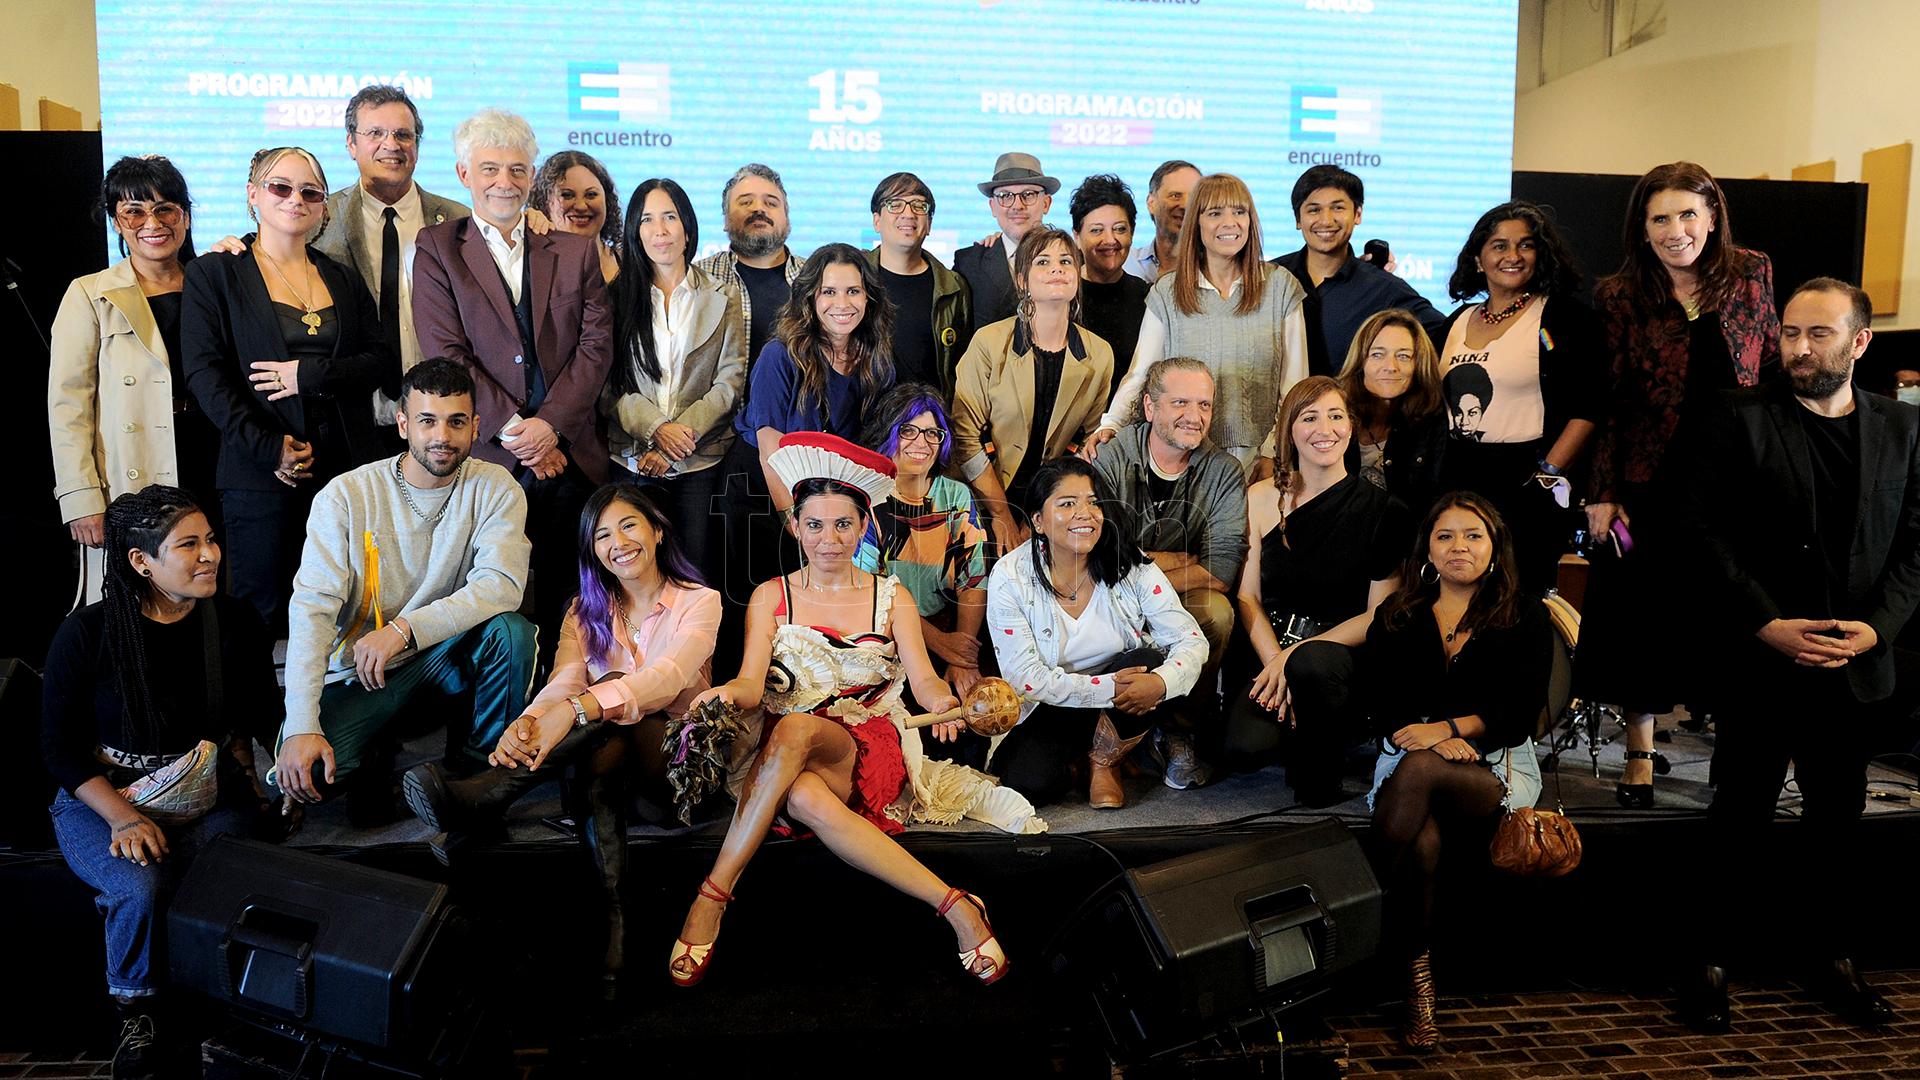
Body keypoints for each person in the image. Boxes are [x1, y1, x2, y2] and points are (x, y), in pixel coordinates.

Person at [669, 433, 1026, 989]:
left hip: (866, 748)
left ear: (864, 526)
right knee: (802, 789)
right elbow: (749, 683)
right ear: (795, 527)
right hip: (786, 759)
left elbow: (925, 682)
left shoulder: (893, 596)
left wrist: (946, 704)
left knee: (795, 728)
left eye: (843, 525)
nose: (829, 539)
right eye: (815, 524)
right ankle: (956, 906)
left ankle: (712, 896)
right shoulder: (770, 596)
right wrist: (721, 695)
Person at [1673, 278, 1917, 1034]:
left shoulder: (1904, 428)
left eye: (1817, 334)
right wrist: (1767, 624)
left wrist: (1877, 628)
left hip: (1852, 662)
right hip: (1761, 659)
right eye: (1788, 333)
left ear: (1860, 342)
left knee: (1837, 818)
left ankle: (1832, 959)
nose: (1798, 348)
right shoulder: (1737, 416)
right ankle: (1709, 963)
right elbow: (1699, 532)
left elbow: (1915, 545)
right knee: (1738, 814)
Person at [404, 482, 722, 990]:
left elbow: (666, 680)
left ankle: (489, 794)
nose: (618, 542)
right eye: (602, 535)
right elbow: (566, 680)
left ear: (657, 531)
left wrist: (577, 709)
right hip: (604, 769)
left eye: (629, 525)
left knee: (616, 691)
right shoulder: (583, 610)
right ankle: (617, 920)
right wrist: (528, 722)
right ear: (592, 549)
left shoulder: (700, 601)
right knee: (605, 745)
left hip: (672, 778)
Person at [41, 486, 277, 1080]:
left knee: (235, 875)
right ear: (141, 561)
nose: (210, 555)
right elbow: (59, 750)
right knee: (139, 885)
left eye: (211, 539)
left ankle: (232, 1012)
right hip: (105, 794)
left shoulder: (235, 620)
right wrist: (123, 817)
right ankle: (137, 1015)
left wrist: (289, 766)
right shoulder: (86, 632)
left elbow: (263, 713)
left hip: (204, 787)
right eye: (189, 545)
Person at [1580, 162, 1780, 807]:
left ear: (1712, 216)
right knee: (1641, 616)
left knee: (1730, 614)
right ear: (1642, 228)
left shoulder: (1751, 272)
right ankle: (1639, 753)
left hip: (1735, 476)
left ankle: (1734, 756)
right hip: (1649, 476)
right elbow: (1610, 398)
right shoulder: (1619, 294)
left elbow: (1769, 366)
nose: (1676, 230)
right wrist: (1601, 491)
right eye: (1660, 218)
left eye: (1688, 214)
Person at [270, 359, 535, 826]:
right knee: (309, 776)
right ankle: (376, 758)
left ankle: (476, 778)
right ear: (402, 424)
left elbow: (501, 586)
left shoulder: (496, 487)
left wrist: (405, 629)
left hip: (441, 658)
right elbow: (311, 611)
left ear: (475, 427)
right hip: (358, 674)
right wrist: (301, 725)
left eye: (456, 422)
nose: (442, 436)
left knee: (511, 633)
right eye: (427, 421)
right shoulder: (346, 495)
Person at [411, 108, 614, 661]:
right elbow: (446, 352)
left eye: (518, 169)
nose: (505, 181)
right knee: (487, 606)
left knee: (574, 608)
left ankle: (567, 704)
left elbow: (596, 345)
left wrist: (551, 427)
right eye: (490, 168)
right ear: (464, 174)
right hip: (488, 458)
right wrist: (518, 430)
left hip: (571, 458)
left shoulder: (574, 249)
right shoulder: (436, 247)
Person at [1361, 492, 1552, 1051]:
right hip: (1409, 754)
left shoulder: (1525, 615)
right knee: (1422, 841)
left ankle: (1362, 901)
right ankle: (1419, 981)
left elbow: (1520, 713)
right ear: (1427, 550)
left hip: (1495, 764)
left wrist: (1449, 730)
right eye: (1445, 536)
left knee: (1422, 770)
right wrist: (1428, 738)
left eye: (1473, 535)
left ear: (1494, 547)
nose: (1458, 547)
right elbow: (1378, 703)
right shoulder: (1397, 615)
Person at [182, 146, 395, 634]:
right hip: (260, 473)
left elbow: (380, 361)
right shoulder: (215, 273)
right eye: (280, 187)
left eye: (310, 192)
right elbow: (205, 375)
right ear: (253, 194)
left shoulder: (342, 277)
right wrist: (268, 449)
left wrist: (310, 375)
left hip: (346, 470)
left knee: (350, 611)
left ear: (323, 207)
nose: (295, 199)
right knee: (259, 617)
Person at [985, 456, 1210, 810]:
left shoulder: (1130, 564)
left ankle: (1107, 759)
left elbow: (1191, 640)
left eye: (1093, 502)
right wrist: (1108, 689)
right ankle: (1087, 758)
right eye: (1067, 504)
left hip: (1126, 696)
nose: (1085, 514)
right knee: (1027, 784)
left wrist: (1161, 683)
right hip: (1053, 702)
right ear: (1038, 521)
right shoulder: (1010, 575)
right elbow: (1025, 678)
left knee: (1148, 661)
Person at [1225, 376, 1409, 804]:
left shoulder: (1385, 510)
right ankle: (1312, 729)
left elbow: (1376, 615)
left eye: (1335, 416)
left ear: (1351, 426)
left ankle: (1323, 770)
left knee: (1313, 666)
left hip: (1339, 656)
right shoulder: (1260, 498)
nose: (1324, 429)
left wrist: (1295, 659)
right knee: (1244, 749)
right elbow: (1247, 597)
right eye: (1309, 418)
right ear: (1289, 430)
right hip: (1272, 646)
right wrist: (1276, 662)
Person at [50, 156, 218, 606]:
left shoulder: (213, 285)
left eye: (166, 210)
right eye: (134, 212)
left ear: (185, 216)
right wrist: (81, 496)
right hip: (135, 464)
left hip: (213, 454)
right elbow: (68, 407)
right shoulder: (90, 293)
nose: (152, 224)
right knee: (138, 605)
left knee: (215, 597)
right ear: (116, 222)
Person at [1432, 201, 1604, 595]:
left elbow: (1588, 407)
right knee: (1458, 598)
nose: (1513, 255)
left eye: (1526, 245)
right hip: (1457, 480)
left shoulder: (1565, 319)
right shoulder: (1454, 323)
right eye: (1499, 245)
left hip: (1527, 482)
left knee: (1516, 601)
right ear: (1478, 259)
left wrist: (1547, 476)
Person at [1091, 358, 1247, 789]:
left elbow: (1220, 571)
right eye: (1180, 403)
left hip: (1177, 596)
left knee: (1217, 612)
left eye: (1204, 405)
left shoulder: (1223, 471)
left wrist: (1139, 564)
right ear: (1149, 406)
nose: (1194, 416)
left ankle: (1177, 729)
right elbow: (1101, 555)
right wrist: (1181, 559)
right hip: (1108, 594)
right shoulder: (1112, 456)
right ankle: (1106, 736)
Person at [1089, 173, 1308, 474]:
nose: (1229, 223)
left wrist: (1275, 453)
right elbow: (1140, 374)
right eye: (1215, 213)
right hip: (1182, 455)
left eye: (1239, 212)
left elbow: (1295, 386)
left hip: (1259, 459)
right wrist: (1112, 424)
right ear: (1196, 223)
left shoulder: (1280, 287)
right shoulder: (1168, 292)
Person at [604, 177, 746, 586]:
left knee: (693, 578)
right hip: (632, 461)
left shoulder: (723, 296)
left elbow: (730, 383)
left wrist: (677, 440)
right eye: (647, 220)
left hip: (699, 463)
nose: (660, 230)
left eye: (669, 217)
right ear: (635, 231)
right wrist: (656, 430)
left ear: (687, 226)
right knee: (634, 579)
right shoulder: (616, 297)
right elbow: (607, 386)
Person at [313, 84, 470, 426]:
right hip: (350, 414)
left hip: (438, 417)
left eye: (403, 135)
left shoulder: (458, 221)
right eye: (376, 133)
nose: (392, 145)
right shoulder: (319, 220)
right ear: (351, 144)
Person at [951, 227, 1115, 552]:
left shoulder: (1099, 354)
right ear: (1022, 280)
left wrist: (1045, 513)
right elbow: (964, 436)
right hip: (983, 497)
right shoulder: (989, 343)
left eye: (1065, 261)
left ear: (1077, 275)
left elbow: (1086, 441)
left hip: (1055, 504)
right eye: (1043, 262)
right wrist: (1002, 514)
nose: (1056, 269)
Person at [856, 383, 990, 702]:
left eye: (933, 433)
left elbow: (973, 578)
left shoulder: (956, 495)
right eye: (908, 431)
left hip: (949, 626)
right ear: (888, 433)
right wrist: (941, 643)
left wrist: (960, 653)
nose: (922, 443)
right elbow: (872, 591)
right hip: (884, 636)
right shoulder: (867, 500)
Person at [1270, 164, 1445, 377]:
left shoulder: (1382, 288)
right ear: (1298, 219)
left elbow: (1446, 335)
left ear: (1357, 214)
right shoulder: (1269, 277)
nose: (1326, 220)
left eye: (1338, 208)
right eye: (1314, 210)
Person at [865, 171, 972, 395]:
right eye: (895, 205)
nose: (908, 214)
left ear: (929, 224)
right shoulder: (855, 278)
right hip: (865, 413)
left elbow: (962, 368)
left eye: (919, 206)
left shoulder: (953, 287)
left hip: (931, 413)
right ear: (877, 220)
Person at [1338, 308, 1448, 512]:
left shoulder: (1433, 423)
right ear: (1360, 362)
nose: (1391, 366)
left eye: (1404, 356)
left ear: (1418, 365)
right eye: (1377, 354)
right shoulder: (1333, 416)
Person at [695, 163, 800, 368]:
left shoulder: (816, 278)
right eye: (746, 202)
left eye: (771, 203)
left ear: (787, 219)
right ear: (726, 219)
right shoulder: (698, 278)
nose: (759, 209)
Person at [953, 152, 1058, 326]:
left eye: (1028, 194)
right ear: (993, 207)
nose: (1017, 205)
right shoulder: (969, 264)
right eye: (1005, 196)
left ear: (1046, 203)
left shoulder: (1074, 261)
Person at [1071, 174, 1151, 398]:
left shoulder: (1148, 298)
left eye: (1120, 229)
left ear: (1132, 233)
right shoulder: (1062, 296)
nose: (1110, 240)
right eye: (1097, 230)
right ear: (1077, 236)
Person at [531, 150, 622, 284]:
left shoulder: (632, 263)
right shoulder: (531, 266)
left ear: (607, 200)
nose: (581, 206)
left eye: (591, 195)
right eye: (567, 195)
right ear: (545, 202)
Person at [1125, 159, 1200, 285]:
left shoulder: (1218, 269)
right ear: (1151, 203)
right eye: (1175, 196)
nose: (1186, 205)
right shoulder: (1125, 264)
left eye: (1194, 197)